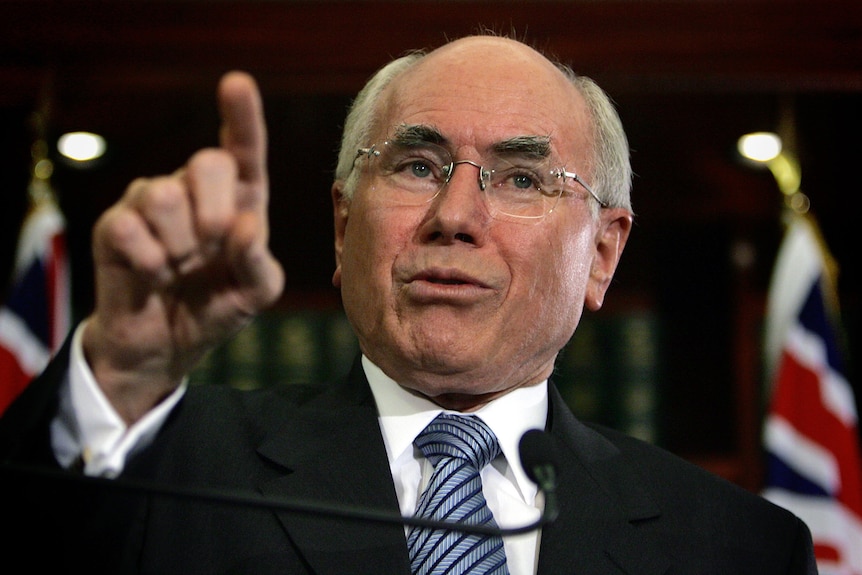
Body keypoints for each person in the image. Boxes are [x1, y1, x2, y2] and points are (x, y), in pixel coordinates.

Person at [0, 34, 816, 574]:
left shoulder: (735, 547)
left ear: (602, 253)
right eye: (417, 166)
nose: (454, 216)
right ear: (343, 222)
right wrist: (120, 368)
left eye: (522, 178)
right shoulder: (169, 467)